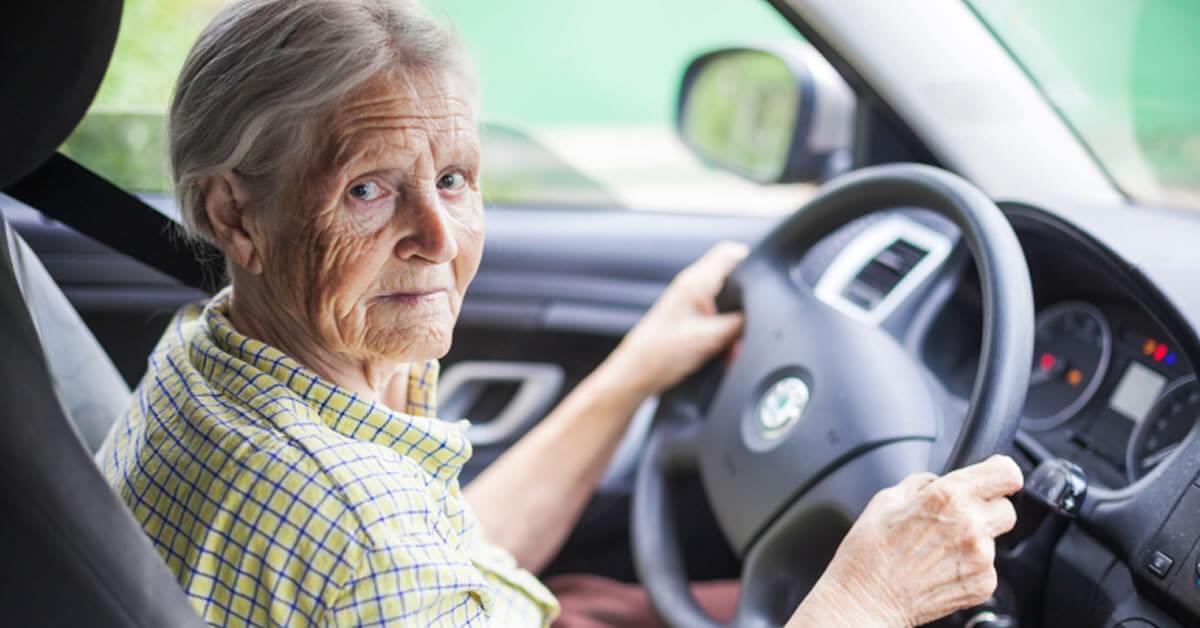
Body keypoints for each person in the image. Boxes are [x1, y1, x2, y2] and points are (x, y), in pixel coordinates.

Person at [96, 0, 1023, 625]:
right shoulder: (355, 529)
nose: (439, 234)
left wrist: (630, 375)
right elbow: (377, 552)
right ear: (233, 214)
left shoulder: (215, 352)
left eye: (454, 178)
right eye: (370, 189)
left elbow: (444, 552)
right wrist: (863, 597)